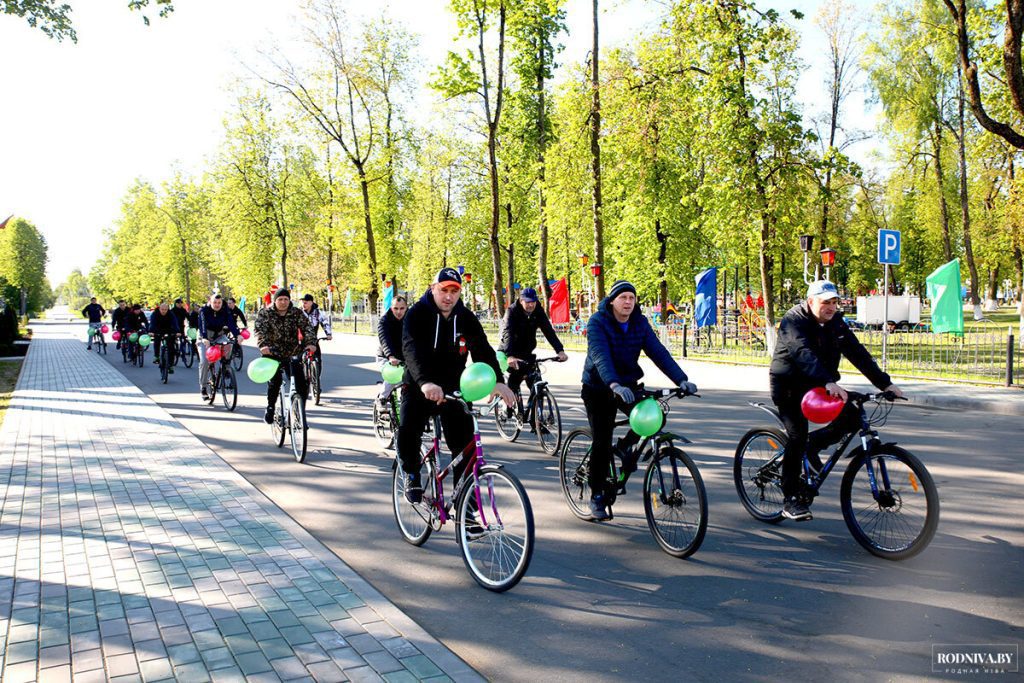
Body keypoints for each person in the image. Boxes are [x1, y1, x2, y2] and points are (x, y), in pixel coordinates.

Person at [770, 280, 905, 522]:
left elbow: (858, 353)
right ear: (811, 302)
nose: (831, 308)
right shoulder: (793, 321)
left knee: (853, 418)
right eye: (826, 303)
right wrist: (828, 381)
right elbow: (803, 353)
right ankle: (790, 498)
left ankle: (813, 445)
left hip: (819, 385)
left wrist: (885, 383)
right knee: (796, 437)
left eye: (834, 302)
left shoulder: (836, 323)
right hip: (789, 387)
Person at [581, 280, 697, 522]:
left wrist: (682, 380)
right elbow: (600, 357)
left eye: (632, 298)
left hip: (628, 385)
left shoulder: (639, 323)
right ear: (612, 300)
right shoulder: (597, 322)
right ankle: (597, 495)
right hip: (599, 388)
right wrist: (614, 384)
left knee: (656, 414)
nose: (628, 302)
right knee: (602, 442)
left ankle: (624, 447)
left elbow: (658, 352)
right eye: (623, 297)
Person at [398, 268, 515, 503]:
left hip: (453, 386)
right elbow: (410, 350)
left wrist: (499, 382)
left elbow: (482, 349)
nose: (448, 296)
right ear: (433, 289)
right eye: (444, 290)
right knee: (409, 427)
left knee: (466, 446)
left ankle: (467, 510)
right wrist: (425, 382)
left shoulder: (465, 317)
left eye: (454, 291)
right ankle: (411, 472)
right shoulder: (417, 314)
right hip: (421, 384)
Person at [498, 287, 568, 411]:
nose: (531, 305)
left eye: (533, 302)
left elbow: (548, 331)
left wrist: (560, 350)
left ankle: (537, 422)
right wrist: (510, 356)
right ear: (521, 301)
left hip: (527, 352)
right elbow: (507, 333)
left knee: (537, 385)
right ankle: (506, 405)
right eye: (528, 302)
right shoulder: (512, 311)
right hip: (510, 351)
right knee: (515, 379)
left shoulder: (538, 311)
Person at [254, 288, 317, 424]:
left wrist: (311, 343)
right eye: (280, 299)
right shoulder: (265, 313)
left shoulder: (296, 313)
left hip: (293, 352)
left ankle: (300, 410)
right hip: (272, 352)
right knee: (275, 381)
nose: (283, 302)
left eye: (286, 299)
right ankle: (271, 407)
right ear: (275, 301)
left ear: (289, 301)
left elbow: (307, 328)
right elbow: (259, 331)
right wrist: (263, 345)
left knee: (301, 383)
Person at [197, 294, 240, 399]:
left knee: (228, 344)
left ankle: (226, 366)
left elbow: (231, 323)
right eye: (214, 303)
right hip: (205, 335)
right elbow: (202, 325)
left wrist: (237, 335)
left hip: (219, 335)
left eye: (219, 303)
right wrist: (204, 338)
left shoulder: (225, 310)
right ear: (210, 302)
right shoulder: (204, 311)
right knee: (204, 362)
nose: (217, 305)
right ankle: (203, 388)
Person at [375, 295, 408, 407]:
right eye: (395, 308)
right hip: (386, 357)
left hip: (405, 357)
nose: (399, 312)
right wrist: (390, 356)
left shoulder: (411, 319)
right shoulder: (384, 321)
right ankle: (382, 398)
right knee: (394, 375)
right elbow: (385, 341)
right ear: (391, 308)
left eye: (402, 308)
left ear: (406, 307)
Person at [299, 293, 332, 377]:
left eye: (305, 302)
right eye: (302, 302)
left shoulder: (317, 313)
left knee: (318, 358)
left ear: (311, 303)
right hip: (301, 339)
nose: (303, 304)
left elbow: (325, 323)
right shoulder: (299, 312)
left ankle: (316, 379)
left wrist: (328, 334)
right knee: (298, 359)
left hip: (313, 339)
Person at [148, 301, 180, 372]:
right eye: (162, 309)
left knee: (171, 348)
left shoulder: (171, 314)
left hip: (169, 330)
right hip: (158, 330)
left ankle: (171, 365)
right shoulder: (155, 314)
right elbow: (152, 323)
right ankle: (156, 356)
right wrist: (151, 331)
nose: (164, 311)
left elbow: (175, 323)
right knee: (156, 341)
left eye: (165, 309)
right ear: (159, 308)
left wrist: (177, 331)